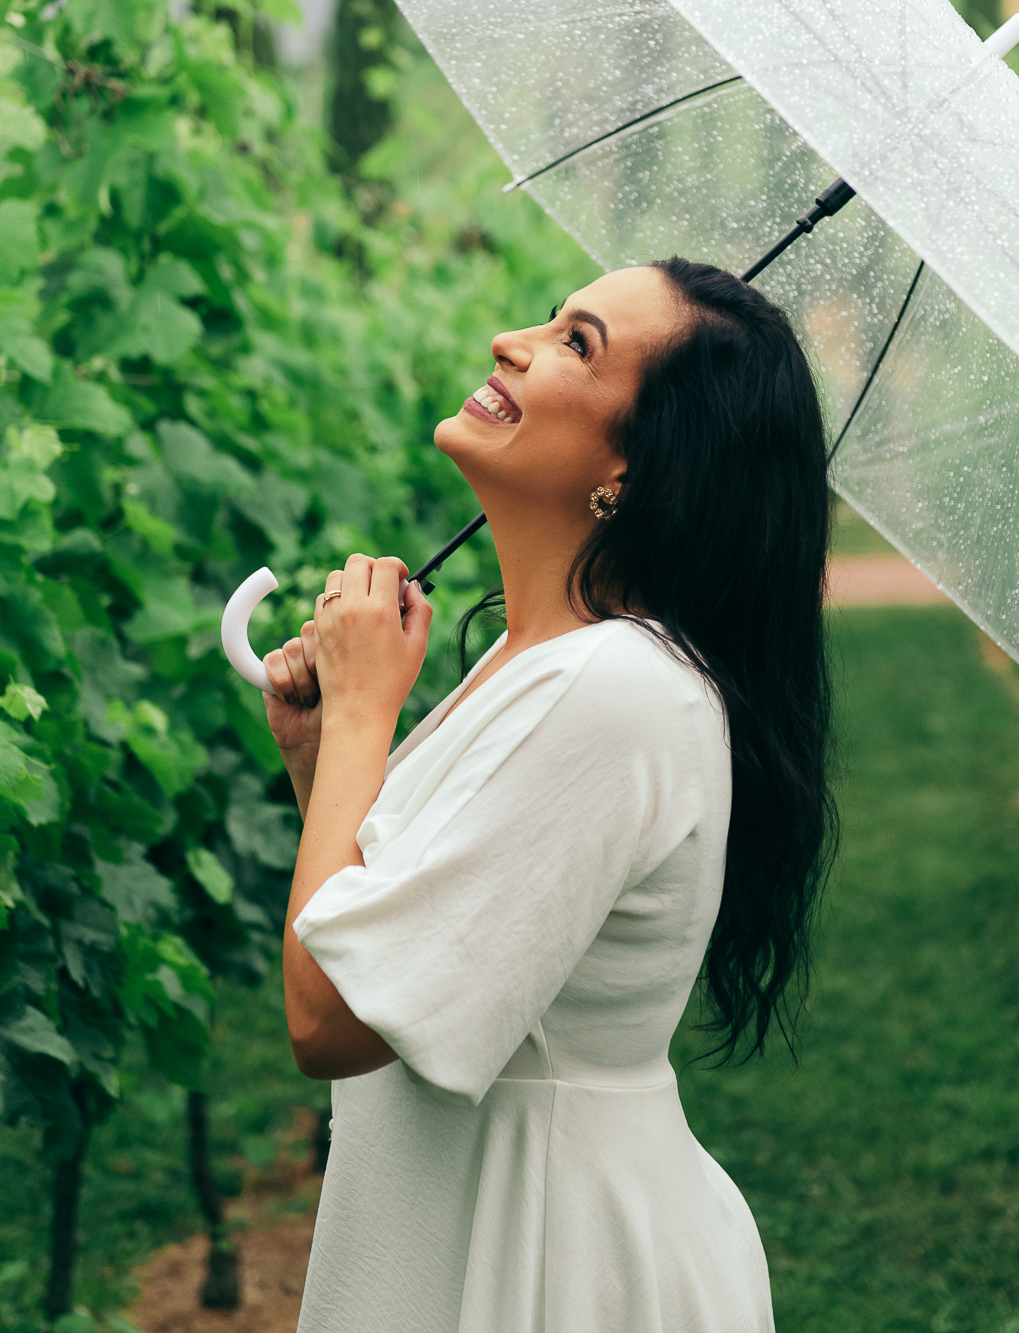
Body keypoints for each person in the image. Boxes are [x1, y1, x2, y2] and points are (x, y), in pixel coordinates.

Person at [262, 257, 836, 1333]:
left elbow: (332, 1017)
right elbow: (423, 919)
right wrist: (322, 756)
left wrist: (364, 715)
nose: (510, 342)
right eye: (553, 318)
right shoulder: (540, 660)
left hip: (542, 1251)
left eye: (577, 343)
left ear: (640, 471)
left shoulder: (611, 689)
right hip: (486, 1201)